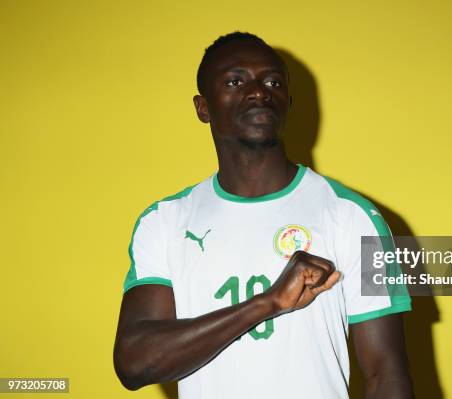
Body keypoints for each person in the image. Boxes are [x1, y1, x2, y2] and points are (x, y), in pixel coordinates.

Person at [113, 31, 414, 399]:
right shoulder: (164, 222)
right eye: (235, 81)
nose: (258, 92)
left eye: (272, 82)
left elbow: (387, 375)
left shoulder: (353, 216)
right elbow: (135, 363)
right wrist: (267, 303)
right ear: (202, 107)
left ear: (289, 102)